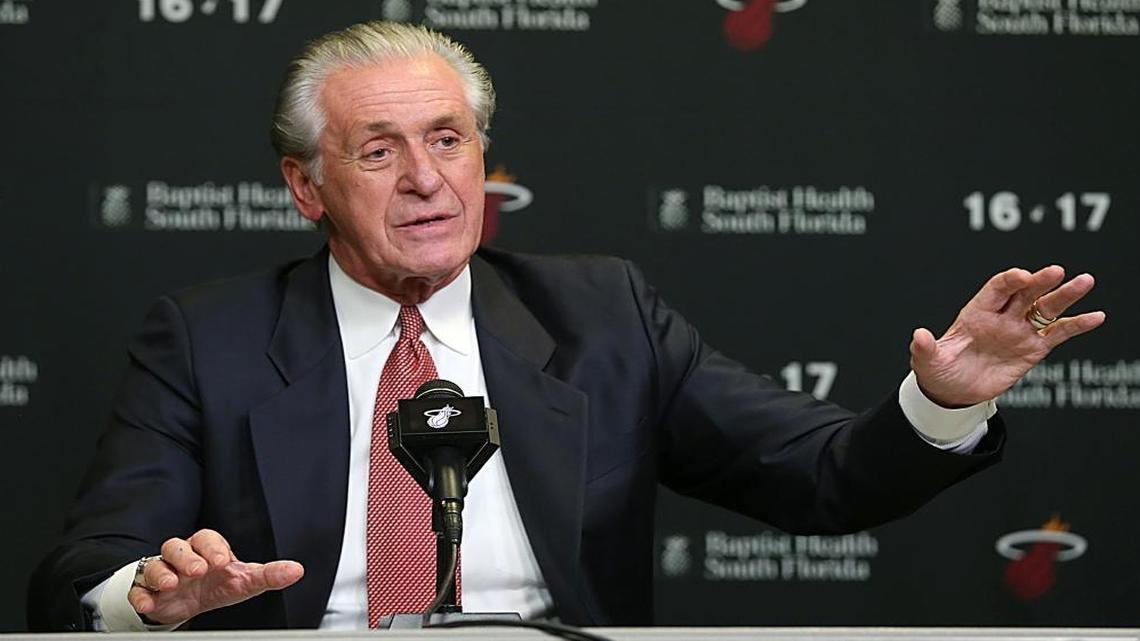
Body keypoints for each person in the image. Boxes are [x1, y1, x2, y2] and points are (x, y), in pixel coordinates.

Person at [27, 21, 1104, 632]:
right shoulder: (209, 337)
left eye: (448, 139)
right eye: (378, 151)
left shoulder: (600, 314)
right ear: (306, 187)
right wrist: (153, 595)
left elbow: (821, 475)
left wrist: (947, 398)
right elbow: (85, 569)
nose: (426, 181)